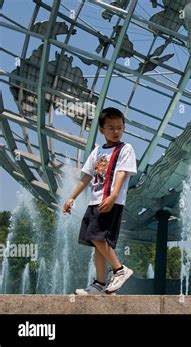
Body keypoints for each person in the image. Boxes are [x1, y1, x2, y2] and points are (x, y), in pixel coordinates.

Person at [63, 107, 137, 295]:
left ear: (124, 128)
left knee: (98, 237)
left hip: (111, 202)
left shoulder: (125, 149)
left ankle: (120, 270)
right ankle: (99, 283)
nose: (116, 131)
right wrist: (72, 196)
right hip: (94, 202)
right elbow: (87, 176)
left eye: (119, 127)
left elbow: (121, 173)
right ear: (102, 130)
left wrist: (113, 196)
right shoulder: (98, 151)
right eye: (111, 128)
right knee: (97, 242)